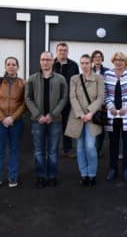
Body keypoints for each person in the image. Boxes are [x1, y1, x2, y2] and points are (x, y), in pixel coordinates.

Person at [25, 51, 67, 188]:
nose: (45, 62)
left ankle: (52, 176)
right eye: (43, 59)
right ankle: (41, 176)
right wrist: (39, 115)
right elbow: (28, 98)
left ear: (52, 61)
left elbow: (64, 98)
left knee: (53, 151)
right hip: (37, 121)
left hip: (54, 121)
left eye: (48, 59)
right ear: (40, 61)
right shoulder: (32, 79)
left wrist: (52, 115)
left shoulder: (60, 79)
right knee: (39, 151)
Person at [65, 54, 104, 187]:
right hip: (77, 117)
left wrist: (90, 112)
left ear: (91, 63)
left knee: (90, 146)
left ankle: (92, 174)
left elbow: (100, 98)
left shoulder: (99, 78)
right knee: (80, 147)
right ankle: (84, 174)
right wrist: (81, 114)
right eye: (82, 63)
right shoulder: (74, 78)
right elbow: (72, 97)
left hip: (92, 118)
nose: (84, 65)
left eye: (87, 63)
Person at [105, 52, 127, 182]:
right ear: (113, 61)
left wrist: (126, 107)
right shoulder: (107, 74)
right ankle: (113, 169)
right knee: (113, 143)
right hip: (112, 114)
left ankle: (126, 170)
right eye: (116, 60)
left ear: (125, 61)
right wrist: (110, 107)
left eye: (121, 60)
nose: (118, 62)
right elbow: (105, 93)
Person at [0, 57, 25, 188]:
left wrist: (13, 118)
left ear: (17, 67)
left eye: (13, 64)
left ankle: (12, 176)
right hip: (0, 122)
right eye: (8, 64)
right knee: (0, 150)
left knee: (14, 149)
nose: (11, 66)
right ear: (5, 66)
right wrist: (3, 118)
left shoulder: (22, 83)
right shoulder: (0, 82)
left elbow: (24, 104)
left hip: (16, 122)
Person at [53, 42, 79, 158]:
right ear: (56, 51)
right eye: (60, 50)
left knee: (67, 126)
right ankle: (52, 149)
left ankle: (67, 149)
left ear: (67, 52)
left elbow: (77, 84)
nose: (62, 52)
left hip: (69, 101)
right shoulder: (51, 64)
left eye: (64, 50)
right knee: (53, 126)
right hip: (53, 102)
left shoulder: (73, 65)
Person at [91, 50, 109, 159]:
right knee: (92, 128)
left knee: (101, 129)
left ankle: (98, 149)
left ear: (102, 59)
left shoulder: (107, 72)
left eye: (99, 57)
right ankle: (92, 149)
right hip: (91, 104)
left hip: (103, 105)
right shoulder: (88, 71)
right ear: (92, 59)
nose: (97, 59)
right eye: (95, 57)